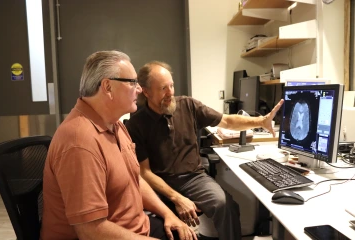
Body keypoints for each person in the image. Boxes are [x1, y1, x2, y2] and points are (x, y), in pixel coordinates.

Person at [40, 51, 197, 240]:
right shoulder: (79, 142)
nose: (139, 89)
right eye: (132, 82)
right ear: (108, 87)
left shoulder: (115, 124)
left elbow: (134, 178)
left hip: (136, 228)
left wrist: (168, 214)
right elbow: (90, 231)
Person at [125, 61, 284, 240]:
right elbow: (144, 172)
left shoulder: (188, 106)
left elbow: (227, 121)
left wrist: (261, 121)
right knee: (163, 230)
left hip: (194, 178)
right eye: (163, 88)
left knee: (225, 205)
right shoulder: (136, 124)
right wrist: (177, 198)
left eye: (171, 85)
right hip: (161, 184)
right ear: (146, 92)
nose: (170, 93)